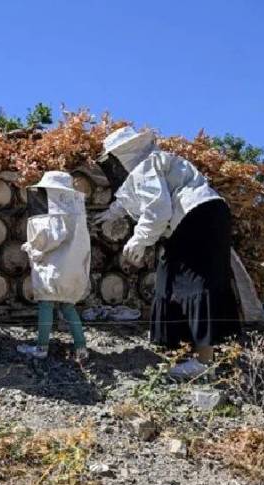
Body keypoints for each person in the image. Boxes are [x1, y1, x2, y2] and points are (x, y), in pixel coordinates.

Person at [94, 126, 241, 379]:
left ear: (121, 155)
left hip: (196, 219)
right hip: (208, 216)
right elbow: (135, 197)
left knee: (195, 283)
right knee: (172, 280)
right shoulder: (153, 162)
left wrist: (140, 240)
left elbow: (158, 209)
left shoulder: (144, 167)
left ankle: (203, 362)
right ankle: (188, 355)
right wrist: (111, 213)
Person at [17, 171, 90, 361]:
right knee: (68, 306)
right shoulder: (76, 212)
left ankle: (41, 348)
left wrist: (33, 247)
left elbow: (51, 237)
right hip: (73, 267)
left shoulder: (57, 213)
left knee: (46, 303)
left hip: (54, 267)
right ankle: (81, 348)